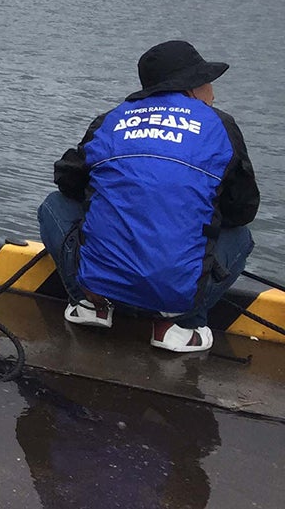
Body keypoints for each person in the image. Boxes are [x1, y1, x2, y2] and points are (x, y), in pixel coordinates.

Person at [37, 40, 257, 354]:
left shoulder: (111, 120)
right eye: (207, 81)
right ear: (191, 87)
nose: (213, 92)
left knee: (53, 206)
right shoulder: (220, 126)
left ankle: (90, 305)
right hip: (176, 298)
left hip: (101, 287)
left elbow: (67, 181)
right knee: (240, 236)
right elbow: (243, 209)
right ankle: (181, 325)